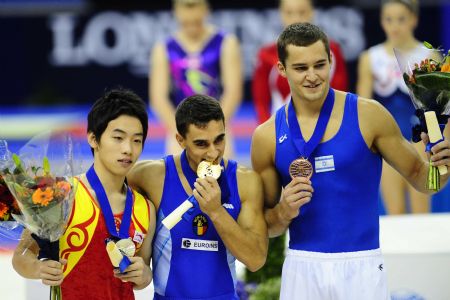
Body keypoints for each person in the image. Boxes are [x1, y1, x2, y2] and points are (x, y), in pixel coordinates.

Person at [251, 22, 450, 299]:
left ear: (331, 60)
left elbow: (423, 180)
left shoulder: (369, 116)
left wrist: (442, 167)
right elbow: (265, 226)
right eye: (300, 68)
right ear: (282, 69)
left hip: (363, 267)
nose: (312, 76)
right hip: (301, 267)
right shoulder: (266, 136)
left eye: (320, 65)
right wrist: (283, 211)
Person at [12, 88, 156, 300]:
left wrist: (145, 276)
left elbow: (142, 275)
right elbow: (20, 258)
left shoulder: (146, 209)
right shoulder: (60, 195)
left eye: (137, 140)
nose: (128, 149)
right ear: (93, 139)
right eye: (118, 138)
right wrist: (38, 269)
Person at [127, 94, 268, 299]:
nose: (213, 153)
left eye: (219, 139)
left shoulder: (245, 182)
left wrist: (216, 211)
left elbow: (255, 260)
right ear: (180, 140)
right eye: (201, 144)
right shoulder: (147, 177)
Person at [357, 0, 433, 214]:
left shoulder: (429, 57)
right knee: (395, 213)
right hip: (387, 142)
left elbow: (441, 109)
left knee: (421, 213)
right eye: (389, 19)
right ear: (382, 21)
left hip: (421, 142)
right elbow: (363, 110)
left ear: (414, 19)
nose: (395, 26)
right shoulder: (370, 58)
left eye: (401, 19)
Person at [150, 0, 243, 156]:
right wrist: (181, 130)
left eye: (196, 21)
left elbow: (233, 92)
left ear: (206, 9)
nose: (192, 23)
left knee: (224, 176)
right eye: (187, 22)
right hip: (181, 129)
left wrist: (216, 129)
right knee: (178, 177)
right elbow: (158, 98)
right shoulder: (164, 48)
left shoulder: (226, 42)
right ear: (176, 11)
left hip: (217, 125)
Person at [252, 0, 348, 125]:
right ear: (280, 14)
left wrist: (335, 130)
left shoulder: (332, 51)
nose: (296, 19)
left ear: (312, 12)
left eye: (302, 12)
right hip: (283, 131)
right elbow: (261, 103)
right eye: (289, 13)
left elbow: (340, 97)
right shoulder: (266, 55)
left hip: (326, 129)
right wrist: (270, 134)